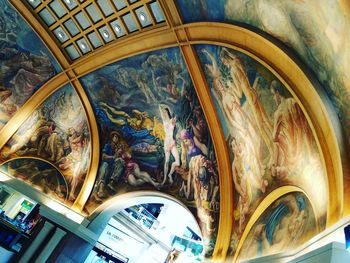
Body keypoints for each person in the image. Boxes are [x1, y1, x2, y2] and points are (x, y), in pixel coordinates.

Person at [95, 132, 125, 199]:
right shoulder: (108, 145)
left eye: (117, 137)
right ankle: (101, 189)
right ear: (112, 138)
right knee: (105, 165)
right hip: (105, 165)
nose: (116, 138)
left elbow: (118, 157)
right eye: (115, 137)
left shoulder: (117, 148)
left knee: (120, 163)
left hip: (112, 168)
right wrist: (112, 157)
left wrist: (120, 158)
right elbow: (103, 156)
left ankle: (111, 183)